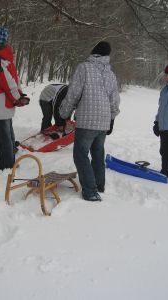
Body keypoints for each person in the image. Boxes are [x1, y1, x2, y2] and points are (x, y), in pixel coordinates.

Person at [59, 41, 120, 202]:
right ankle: (99, 184)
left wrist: (64, 113)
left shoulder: (84, 68)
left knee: (80, 154)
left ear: (93, 52)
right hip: (103, 122)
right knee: (98, 153)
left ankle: (90, 191)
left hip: (87, 121)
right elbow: (115, 99)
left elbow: (73, 94)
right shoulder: (111, 74)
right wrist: (112, 119)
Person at [0, 26, 29, 170]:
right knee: (7, 135)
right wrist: (18, 96)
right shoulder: (4, 58)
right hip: (2, 104)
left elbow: (8, 82)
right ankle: (10, 160)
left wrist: (17, 97)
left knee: (3, 139)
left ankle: (6, 168)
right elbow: (14, 80)